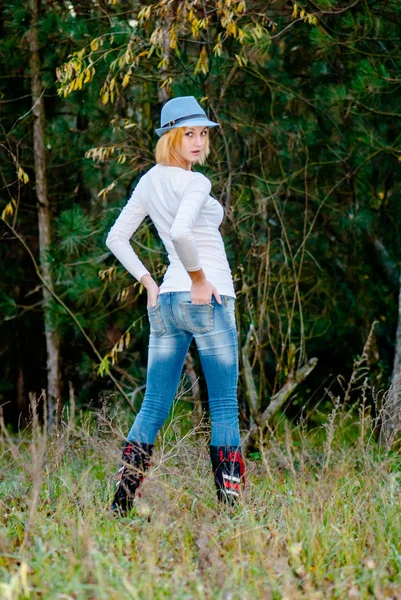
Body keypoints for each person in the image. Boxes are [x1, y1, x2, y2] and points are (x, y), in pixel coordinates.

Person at [105, 96, 245, 513]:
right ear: (171, 137)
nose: (199, 142)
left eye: (203, 133)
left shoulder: (149, 181)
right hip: (207, 296)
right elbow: (183, 233)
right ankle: (231, 510)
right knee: (223, 404)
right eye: (189, 134)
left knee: (154, 403)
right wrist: (200, 279)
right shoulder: (195, 183)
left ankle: (120, 505)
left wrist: (149, 282)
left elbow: (115, 238)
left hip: (166, 301)